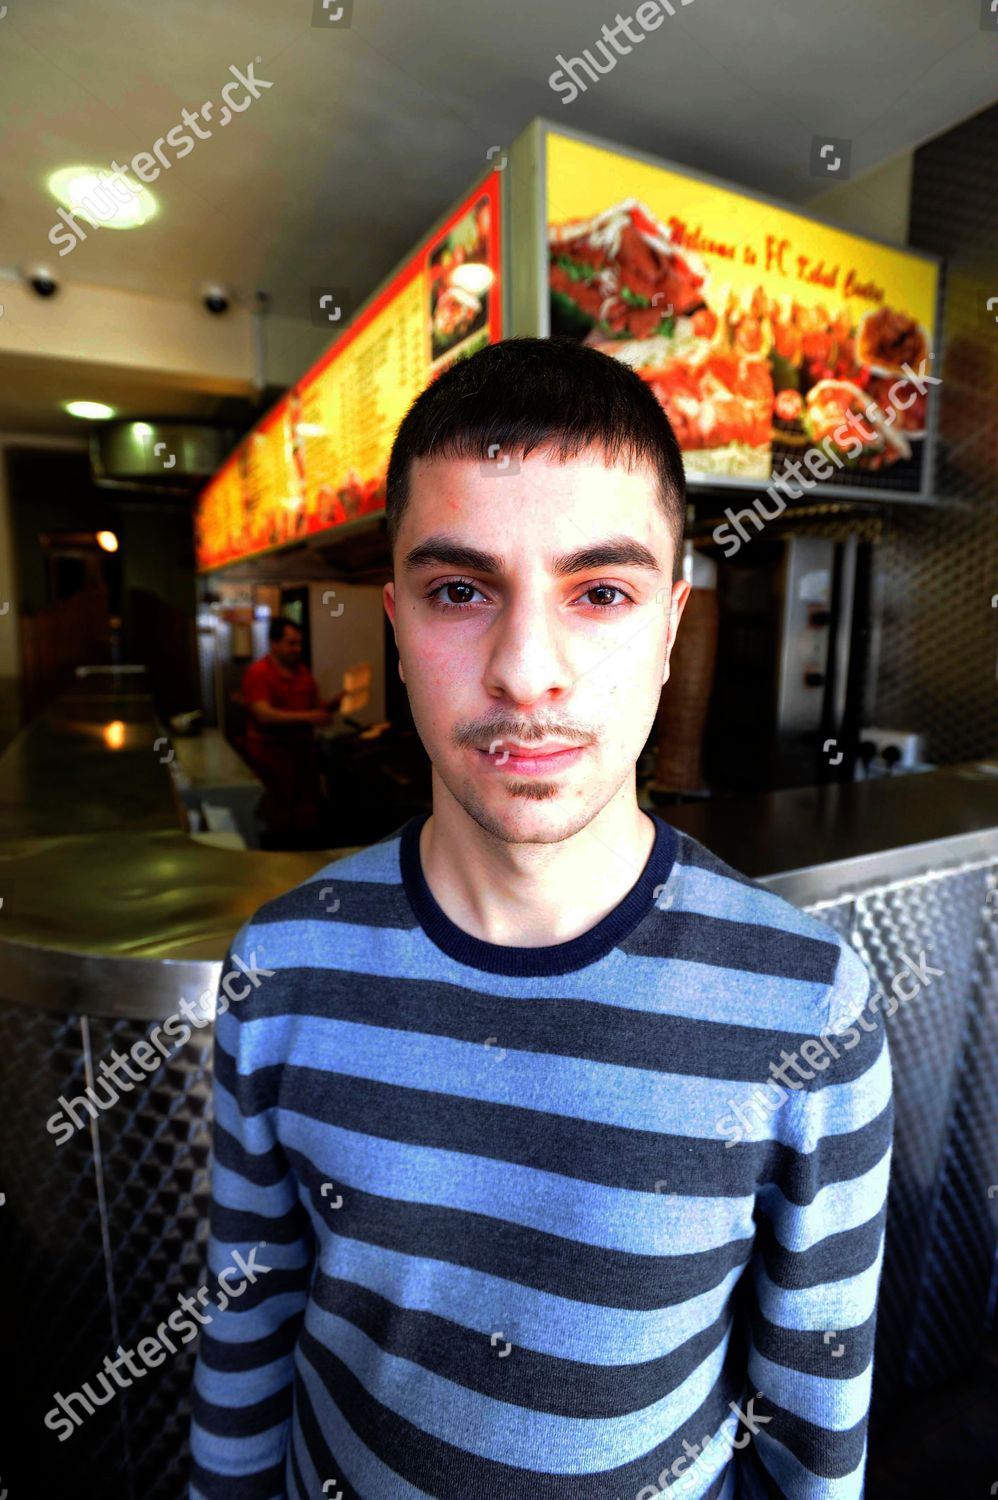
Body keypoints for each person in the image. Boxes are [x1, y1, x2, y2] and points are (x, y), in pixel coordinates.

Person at [191, 338, 893, 1499]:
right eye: (460, 590)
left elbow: (810, 1422)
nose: (525, 671)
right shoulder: (281, 967)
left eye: (600, 593)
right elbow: (246, 1319)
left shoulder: (807, 1003)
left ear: (670, 627)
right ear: (398, 627)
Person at [240, 616, 343, 846]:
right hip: (271, 758)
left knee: (304, 818)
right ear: (273, 644)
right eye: (291, 643)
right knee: (275, 817)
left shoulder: (302, 671)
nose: (297, 649)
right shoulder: (259, 673)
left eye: (299, 643)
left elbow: (316, 705)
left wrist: (337, 701)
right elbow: (263, 714)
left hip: (302, 757)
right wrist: (310, 717)